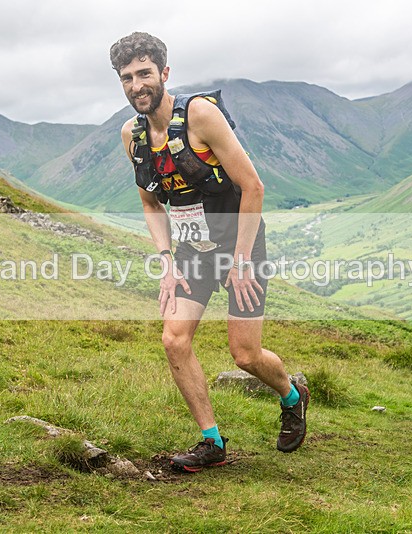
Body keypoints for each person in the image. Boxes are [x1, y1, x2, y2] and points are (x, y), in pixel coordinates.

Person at [110, 32, 309, 473]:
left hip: (241, 242)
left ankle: (292, 395)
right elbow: (150, 203)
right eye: (127, 78)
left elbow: (253, 186)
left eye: (144, 74)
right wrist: (166, 262)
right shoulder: (133, 135)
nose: (137, 85)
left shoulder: (200, 115)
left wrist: (240, 260)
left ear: (164, 73)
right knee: (174, 340)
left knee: (245, 355)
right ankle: (212, 442)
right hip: (192, 247)